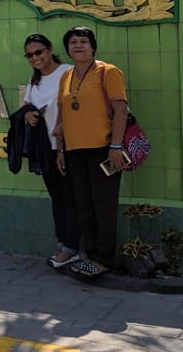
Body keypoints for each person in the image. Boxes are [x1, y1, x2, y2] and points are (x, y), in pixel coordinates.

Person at [53, 26, 127, 278]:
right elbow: (63, 115)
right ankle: (91, 254)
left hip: (103, 150)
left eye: (83, 41)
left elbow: (120, 110)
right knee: (83, 205)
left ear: (92, 46)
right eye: (73, 42)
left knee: (103, 204)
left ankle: (105, 259)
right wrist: (61, 149)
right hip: (74, 151)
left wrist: (115, 146)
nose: (78, 46)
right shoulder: (66, 76)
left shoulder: (108, 72)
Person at [19, 33, 80, 269]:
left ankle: (72, 247)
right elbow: (26, 105)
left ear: (49, 50)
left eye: (39, 52)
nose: (35, 58)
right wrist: (27, 114)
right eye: (30, 55)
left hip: (68, 147)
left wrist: (64, 127)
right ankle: (62, 242)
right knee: (58, 199)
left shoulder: (67, 72)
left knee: (71, 198)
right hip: (46, 150)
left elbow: (78, 104)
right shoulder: (34, 81)